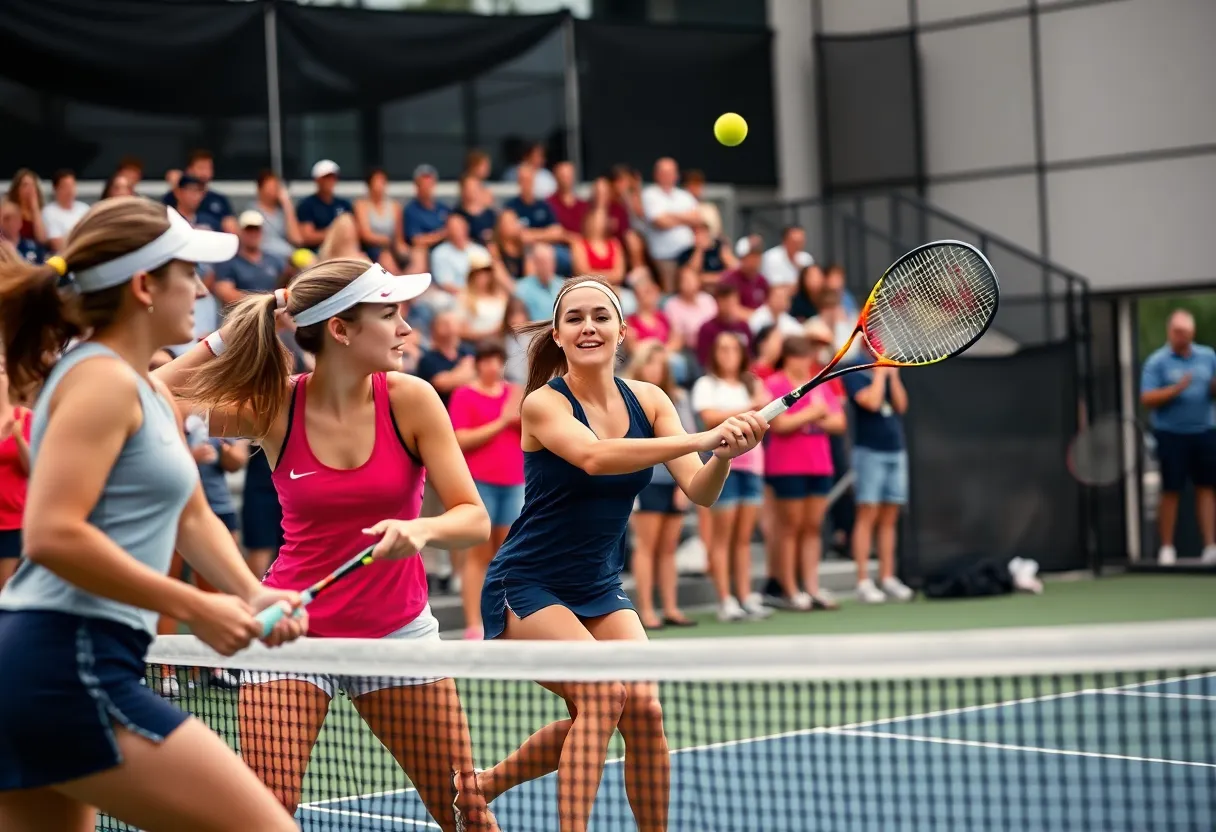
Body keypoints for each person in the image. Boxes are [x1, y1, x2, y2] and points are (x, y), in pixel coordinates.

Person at [154, 258, 500, 830]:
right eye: (389, 315)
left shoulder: (412, 399)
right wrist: (248, 322)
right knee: (263, 817)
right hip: (290, 632)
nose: (406, 329)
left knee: (467, 814)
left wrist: (421, 530)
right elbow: (154, 393)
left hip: (399, 635)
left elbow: (473, 519)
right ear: (340, 329)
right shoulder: (273, 405)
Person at [0, 197, 306, 831]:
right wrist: (198, 607)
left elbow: (192, 516)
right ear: (143, 286)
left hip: (56, 664)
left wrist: (254, 595)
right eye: (185, 273)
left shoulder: (143, 387)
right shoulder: (100, 381)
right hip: (67, 659)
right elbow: (53, 533)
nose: (199, 289)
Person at [476, 275, 767, 832]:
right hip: (528, 583)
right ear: (558, 334)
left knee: (645, 709)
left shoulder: (651, 400)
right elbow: (593, 456)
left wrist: (726, 453)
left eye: (601, 316)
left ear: (622, 330)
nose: (589, 326)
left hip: (598, 584)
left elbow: (700, 492)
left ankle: (483, 785)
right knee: (605, 695)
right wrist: (704, 437)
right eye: (576, 318)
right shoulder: (541, 404)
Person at [690, 332, 771, 622]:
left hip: (752, 466)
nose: (728, 354)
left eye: (733, 349)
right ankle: (725, 600)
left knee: (744, 539)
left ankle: (746, 597)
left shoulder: (751, 384)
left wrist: (750, 407)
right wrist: (751, 408)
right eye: (722, 349)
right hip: (723, 468)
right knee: (722, 539)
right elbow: (711, 419)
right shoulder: (706, 384)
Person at [763, 336, 846, 611]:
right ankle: (789, 589)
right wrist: (813, 415)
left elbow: (839, 422)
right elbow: (780, 424)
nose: (807, 362)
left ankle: (811, 587)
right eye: (801, 356)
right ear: (788, 357)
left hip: (819, 464)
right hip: (787, 466)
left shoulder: (818, 384)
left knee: (813, 527)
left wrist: (814, 416)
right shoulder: (775, 383)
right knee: (789, 528)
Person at [450, 341, 525, 640]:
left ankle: (504, 622)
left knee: (506, 556)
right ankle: (473, 623)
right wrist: (502, 421)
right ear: (478, 364)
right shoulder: (464, 394)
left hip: (515, 482)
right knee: (478, 556)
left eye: (498, 360)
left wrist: (521, 416)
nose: (493, 366)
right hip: (479, 483)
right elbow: (461, 439)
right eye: (487, 360)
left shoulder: (515, 394)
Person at [622, 341, 696, 630]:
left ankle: (671, 608)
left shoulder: (678, 398)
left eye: (660, 364)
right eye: (650, 363)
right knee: (647, 547)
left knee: (668, 548)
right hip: (645, 482)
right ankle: (646, 611)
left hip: (673, 481)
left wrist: (684, 484)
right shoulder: (628, 399)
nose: (655, 369)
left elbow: (689, 440)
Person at [1140, 309, 1216, 564]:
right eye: (1176, 332)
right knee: (1171, 490)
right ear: (1169, 332)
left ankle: (1209, 548)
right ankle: (1167, 549)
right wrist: (1175, 389)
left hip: (1204, 432)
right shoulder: (1157, 362)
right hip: (1171, 435)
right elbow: (1147, 398)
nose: (1180, 336)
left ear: (1192, 333)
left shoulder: (1207, 356)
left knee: (1206, 488)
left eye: (1185, 332)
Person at [843, 365, 915, 603]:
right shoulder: (854, 369)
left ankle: (887, 577)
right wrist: (881, 375)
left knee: (890, 516)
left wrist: (892, 377)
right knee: (867, 514)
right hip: (868, 453)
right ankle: (863, 581)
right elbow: (872, 403)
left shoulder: (892, 371)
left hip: (895, 451)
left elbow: (901, 406)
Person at [0, 356, 30, 591]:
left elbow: (35, 470)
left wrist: (19, 440)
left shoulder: (26, 418)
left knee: (4, 590)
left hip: (12, 521)